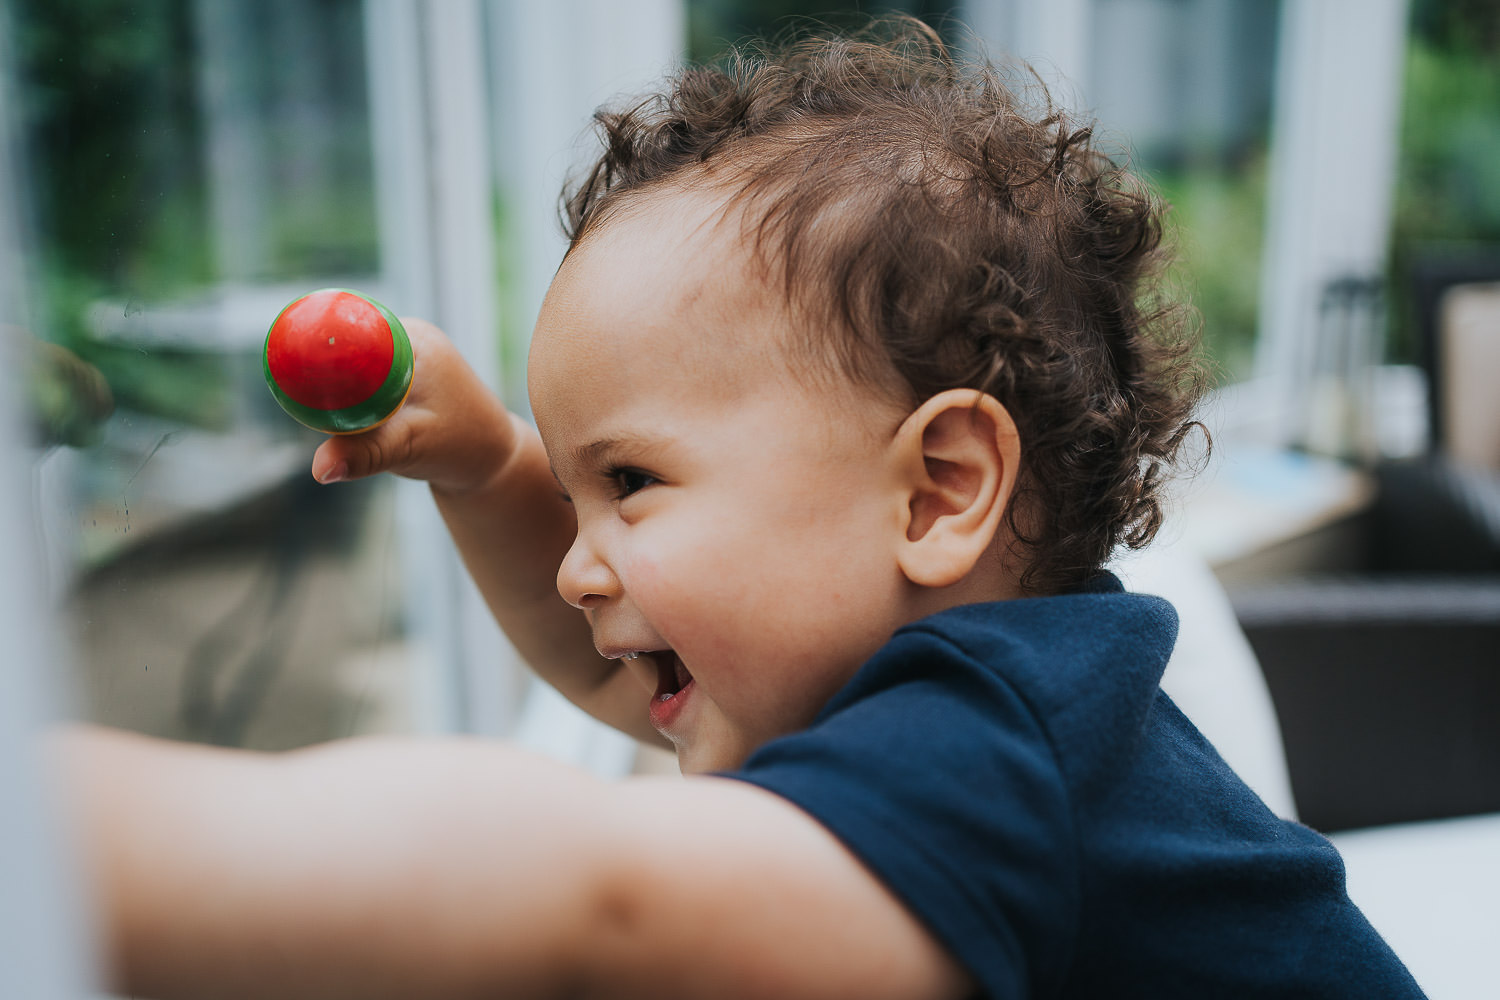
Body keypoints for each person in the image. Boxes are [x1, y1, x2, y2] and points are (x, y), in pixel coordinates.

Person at [57, 17, 1424, 1000]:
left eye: (633, 482)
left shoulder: (999, 753)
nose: (586, 577)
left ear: (939, 490)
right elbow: (623, 675)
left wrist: (58, 843)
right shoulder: (937, 694)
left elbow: (593, 898)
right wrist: (490, 469)